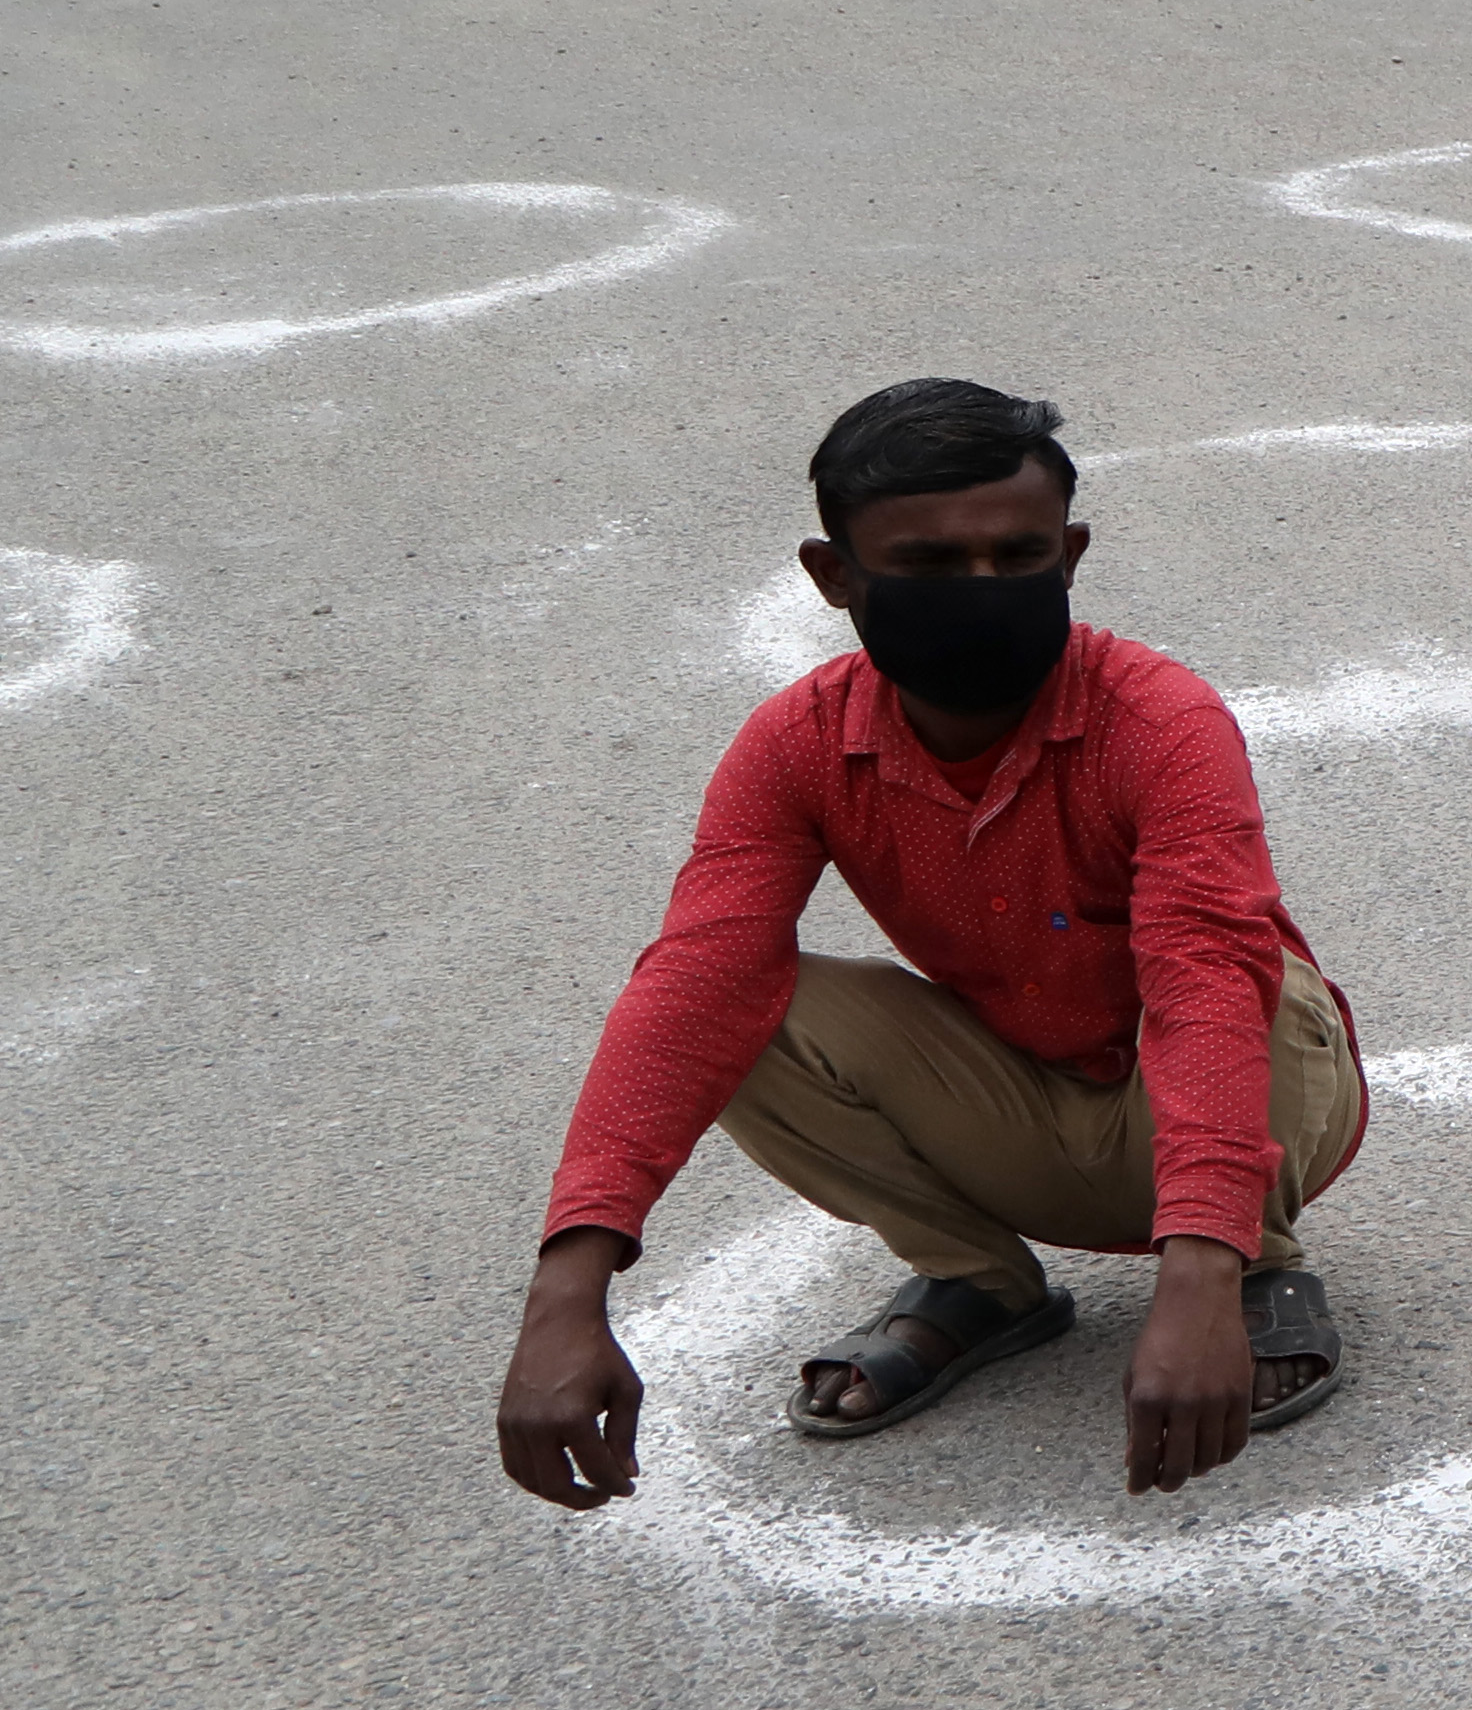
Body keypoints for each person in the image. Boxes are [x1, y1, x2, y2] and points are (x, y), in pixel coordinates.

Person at [494, 382, 1367, 1515]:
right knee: (738, 1004)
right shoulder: (796, 748)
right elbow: (693, 983)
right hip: (1026, 1095)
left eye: (1020, 554)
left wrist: (1199, 1273)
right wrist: (567, 1290)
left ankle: (1257, 1261)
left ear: (1072, 555)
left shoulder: (1161, 722)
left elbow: (1204, 983)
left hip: (1234, 1099)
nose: (983, 591)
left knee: (1248, 975)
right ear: (833, 576)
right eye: (931, 564)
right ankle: (980, 1284)